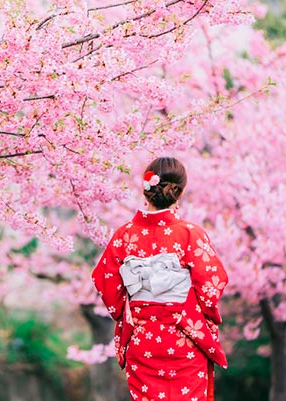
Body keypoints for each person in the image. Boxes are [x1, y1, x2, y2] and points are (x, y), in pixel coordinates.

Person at [91, 157, 228, 401]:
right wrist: (191, 311)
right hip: (185, 338)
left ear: (146, 189)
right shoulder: (190, 234)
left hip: (144, 342)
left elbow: (105, 281)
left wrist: (132, 309)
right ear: (180, 192)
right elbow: (212, 283)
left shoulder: (124, 235)